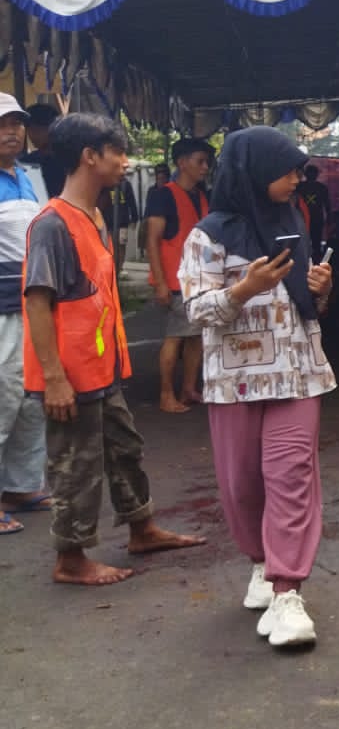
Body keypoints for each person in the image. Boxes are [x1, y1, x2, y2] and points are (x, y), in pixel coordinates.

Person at [23, 114, 206, 584]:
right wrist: (56, 378)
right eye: (117, 152)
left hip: (102, 367)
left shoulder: (96, 215)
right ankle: (71, 558)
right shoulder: (51, 225)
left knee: (124, 448)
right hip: (71, 374)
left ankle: (141, 527)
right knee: (76, 465)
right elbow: (38, 304)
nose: (126, 162)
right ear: (90, 156)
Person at [179, 128, 335, 648]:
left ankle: (289, 591)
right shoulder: (208, 235)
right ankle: (260, 563)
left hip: (297, 375)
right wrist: (245, 287)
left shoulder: (293, 222)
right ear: (253, 172)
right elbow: (196, 309)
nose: (297, 180)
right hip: (235, 383)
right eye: (287, 170)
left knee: (290, 476)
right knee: (243, 485)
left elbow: (303, 307)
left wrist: (321, 289)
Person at [0, 92, 48, 536]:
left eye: (16, 123)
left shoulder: (26, 176)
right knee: (4, 398)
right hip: (1, 309)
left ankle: (20, 486)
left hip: (29, 301)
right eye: (2, 125)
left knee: (32, 398)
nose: (12, 131)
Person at [145, 138, 213, 413]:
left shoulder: (202, 195)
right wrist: (160, 282)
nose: (205, 167)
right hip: (176, 281)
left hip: (201, 279)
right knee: (175, 337)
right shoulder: (163, 195)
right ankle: (166, 395)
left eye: (207, 162)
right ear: (182, 163)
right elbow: (152, 240)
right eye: (200, 161)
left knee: (196, 336)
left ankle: (188, 389)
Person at [23, 102, 66, 198]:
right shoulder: (28, 162)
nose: (31, 136)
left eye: (36, 131)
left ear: (52, 128)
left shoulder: (70, 159)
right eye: (29, 131)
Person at [299, 164, 330, 255]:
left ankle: (315, 259)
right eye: (310, 173)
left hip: (316, 219)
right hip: (303, 219)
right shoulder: (299, 187)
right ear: (305, 174)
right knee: (303, 241)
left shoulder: (322, 188)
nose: (312, 175)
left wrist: (329, 218)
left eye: (314, 173)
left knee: (316, 242)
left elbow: (327, 205)